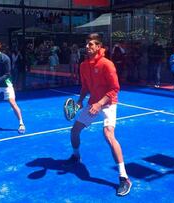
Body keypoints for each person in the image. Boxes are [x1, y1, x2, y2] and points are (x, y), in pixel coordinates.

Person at [64, 33, 131, 196]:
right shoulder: (83, 65)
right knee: (74, 131)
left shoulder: (107, 64)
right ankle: (76, 156)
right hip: (92, 103)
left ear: (99, 47)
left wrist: (100, 104)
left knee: (108, 135)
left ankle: (124, 178)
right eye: (87, 44)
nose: (88, 46)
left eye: (92, 44)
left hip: (108, 104)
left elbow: (115, 88)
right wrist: (80, 101)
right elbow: (85, 86)